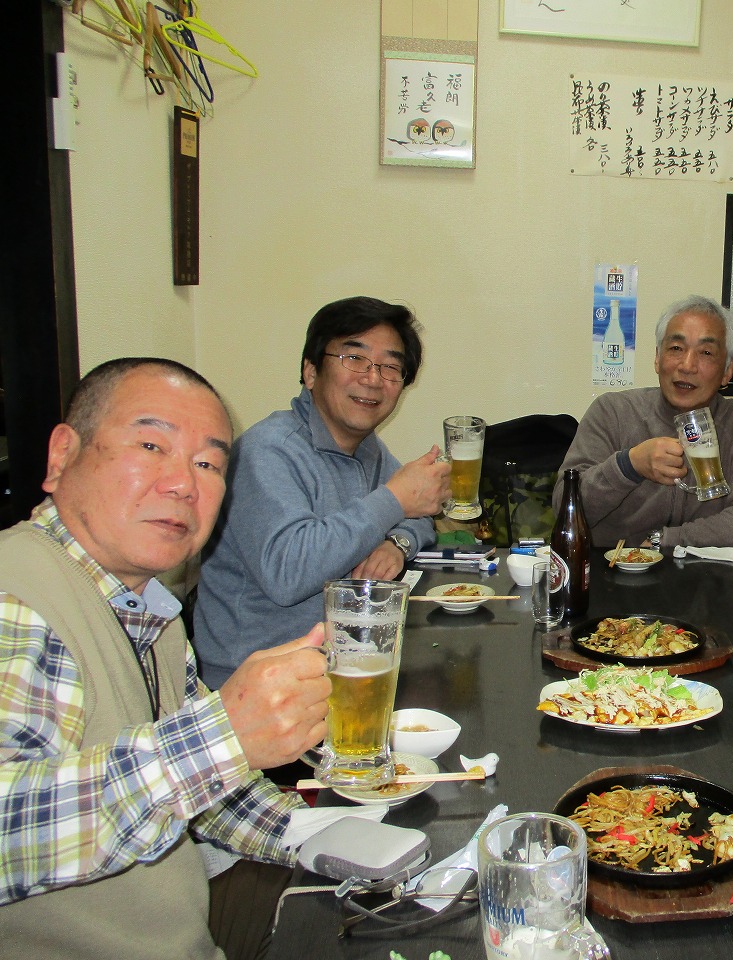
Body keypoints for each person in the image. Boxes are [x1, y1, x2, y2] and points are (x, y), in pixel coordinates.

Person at [0, 358, 330, 960]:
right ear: (61, 456)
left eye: (208, 464)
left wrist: (315, 831)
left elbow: (203, 788)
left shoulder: (149, 610)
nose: (183, 484)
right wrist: (220, 738)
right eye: (152, 445)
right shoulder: (16, 595)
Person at [194, 296, 450, 688]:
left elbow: (420, 514)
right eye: (354, 358)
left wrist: (396, 544)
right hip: (257, 685)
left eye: (390, 367)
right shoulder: (268, 451)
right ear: (310, 371)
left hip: (342, 666)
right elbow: (288, 574)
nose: (373, 378)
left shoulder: (368, 449)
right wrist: (394, 499)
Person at [555, 294, 733, 548]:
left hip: (705, 571)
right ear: (657, 358)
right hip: (612, 567)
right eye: (676, 349)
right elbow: (564, 507)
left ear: (727, 371)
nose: (687, 365)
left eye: (706, 352)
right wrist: (629, 465)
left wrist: (666, 539)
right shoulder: (612, 411)